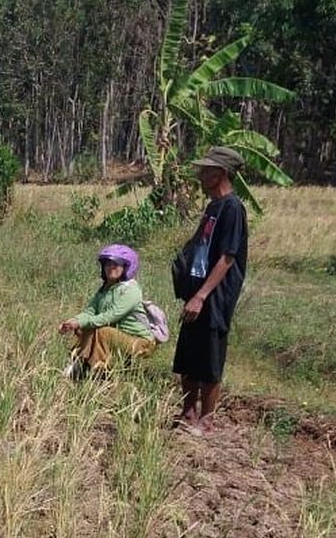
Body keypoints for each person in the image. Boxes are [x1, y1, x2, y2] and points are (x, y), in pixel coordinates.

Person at [172, 146, 249, 434]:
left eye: (206, 170)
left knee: (210, 355)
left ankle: (207, 419)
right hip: (196, 291)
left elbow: (227, 258)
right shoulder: (212, 207)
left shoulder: (232, 208)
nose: (201, 174)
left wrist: (202, 295)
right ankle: (188, 412)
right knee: (189, 353)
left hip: (214, 297)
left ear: (221, 173)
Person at [58, 244, 156, 378]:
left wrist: (80, 323)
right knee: (84, 328)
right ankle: (78, 362)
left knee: (102, 330)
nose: (110, 268)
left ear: (126, 267)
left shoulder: (131, 290)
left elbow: (110, 316)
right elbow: (89, 312)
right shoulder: (104, 290)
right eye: (107, 264)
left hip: (142, 343)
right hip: (120, 336)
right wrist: (74, 321)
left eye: (115, 264)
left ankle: (98, 372)